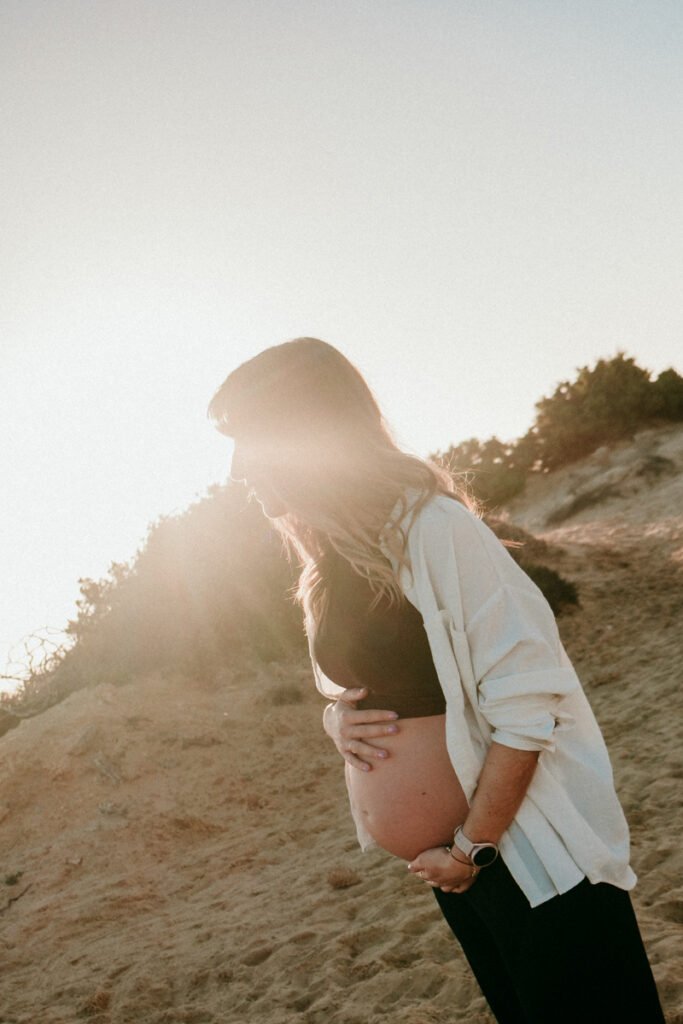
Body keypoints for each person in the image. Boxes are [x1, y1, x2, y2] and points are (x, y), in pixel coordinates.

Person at [207, 337, 665, 1024]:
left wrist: (471, 847)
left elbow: (527, 695)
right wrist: (336, 721)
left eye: (250, 438)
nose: (238, 466)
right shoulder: (331, 560)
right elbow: (367, 684)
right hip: (461, 873)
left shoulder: (433, 528)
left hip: (521, 853)